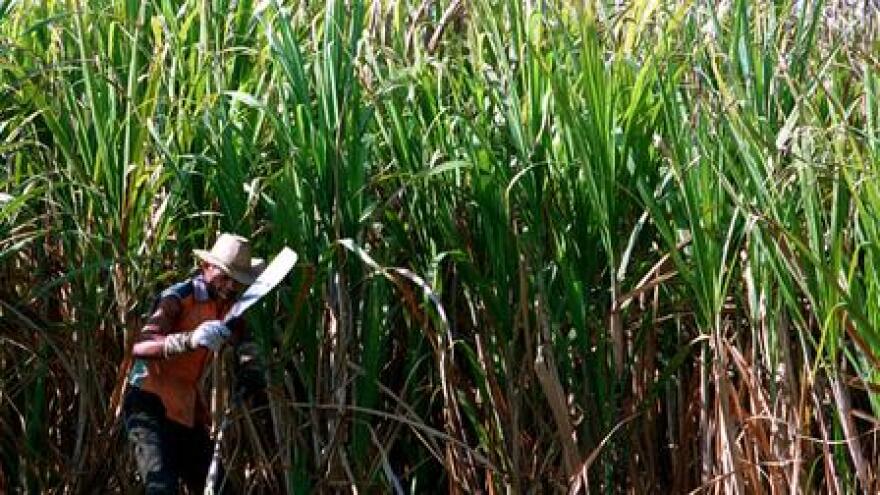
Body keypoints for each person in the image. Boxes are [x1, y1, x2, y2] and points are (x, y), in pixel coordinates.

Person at [123, 233, 267, 494]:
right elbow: (141, 346)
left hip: (185, 411)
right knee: (161, 488)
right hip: (148, 404)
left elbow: (244, 342)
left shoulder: (227, 307)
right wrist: (189, 340)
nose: (230, 286)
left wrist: (250, 368)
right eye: (224, 277)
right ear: (206, 267)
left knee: (219, 488)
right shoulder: (178, 298)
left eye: (236, 281)